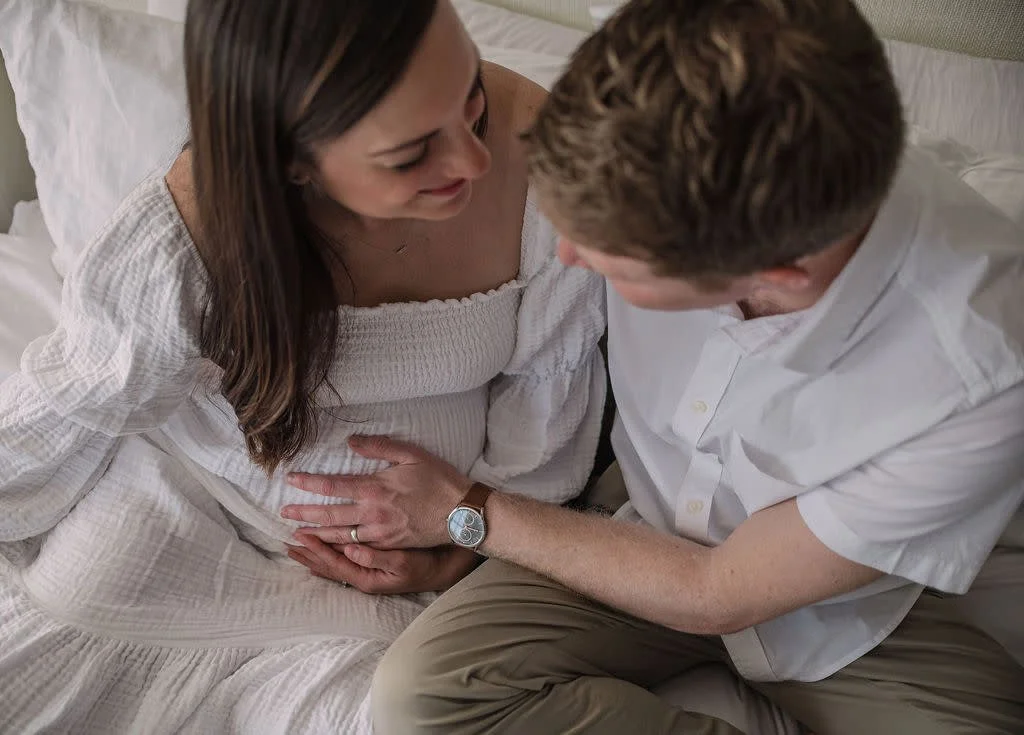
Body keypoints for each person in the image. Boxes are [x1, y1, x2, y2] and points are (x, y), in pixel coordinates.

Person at [284, 0, 1024, 732]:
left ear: (776, 272)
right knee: (423, 696)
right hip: (628, 516)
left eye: (613, 259)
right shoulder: (660, 102)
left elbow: (718, 591)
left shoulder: (982, 372)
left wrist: (465, 511)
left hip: (836, 609)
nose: (566, 256)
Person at [0, 1, 605, 732]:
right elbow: (70, 402)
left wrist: (460, 544)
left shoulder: (543, 159)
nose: (472, 162)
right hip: (183, 506)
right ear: (293, 164)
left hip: (381, 583)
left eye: (471, 102)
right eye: (412, 153)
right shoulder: (190, 234)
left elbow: (545, 424)